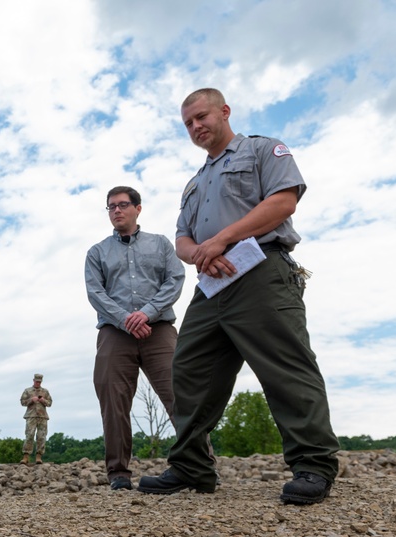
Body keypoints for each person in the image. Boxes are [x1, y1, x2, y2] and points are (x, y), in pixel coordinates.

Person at [137, 88, 340, 504]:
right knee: (189, 369)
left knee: (285, 366)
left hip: (261, 270)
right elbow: (182, 237)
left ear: (224, 111)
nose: (196, 126)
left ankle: (313, 465)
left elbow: (284, 201)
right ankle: (192, 466)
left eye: (202, 117)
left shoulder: (263, 150)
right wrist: (198, 253)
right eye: (188, 123)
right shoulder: (195, 183)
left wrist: (223, 240)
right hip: (212, 284)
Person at [85, 186, 186, 491]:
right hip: (115, 333)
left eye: (122, 205)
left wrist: (148, 312)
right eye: (111, 207)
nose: (116, 211)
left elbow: (175, 279)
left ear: (138, 208)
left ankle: (198, 463)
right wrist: (126, 319)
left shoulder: (161, 244)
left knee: (181, 394)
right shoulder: (97, 252)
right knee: (113, 401)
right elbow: (95, 292)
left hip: (159, 331)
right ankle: (118, 473)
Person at [19, 373, 52, 465]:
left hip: (42, 416)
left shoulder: (45, 392)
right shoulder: (28, 391)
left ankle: (39, 456)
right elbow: (22, 402)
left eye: (39, 382)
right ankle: (26, 456)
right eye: (37, 381)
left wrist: (43, 400)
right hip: (31, 416)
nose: (38, 383)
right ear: (33, 380)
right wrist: (31, 400)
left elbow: (50, 403)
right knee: (29, 435)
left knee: (41, 436)